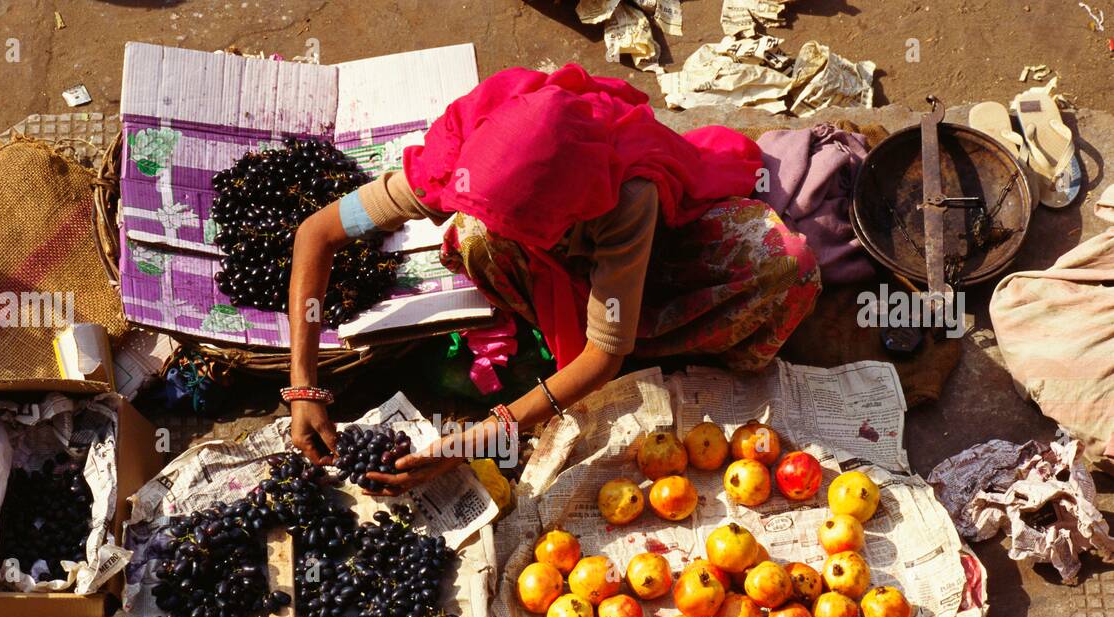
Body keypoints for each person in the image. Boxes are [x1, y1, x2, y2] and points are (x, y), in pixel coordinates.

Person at [284, 64, 821, 493]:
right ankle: (553, 323)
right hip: (557, 265)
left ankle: (659, 347)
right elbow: (318, 234)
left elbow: (603, 356)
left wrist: (489, 433)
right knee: (471, 235)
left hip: (659, 250)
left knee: (785, 266)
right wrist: (304, 386)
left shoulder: (627, 197)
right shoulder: (463, 160)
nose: (497, 226)